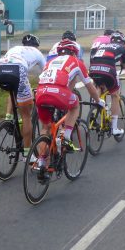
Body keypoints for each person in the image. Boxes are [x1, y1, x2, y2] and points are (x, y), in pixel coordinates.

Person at [34, 39, 104, 169]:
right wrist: (98, 101)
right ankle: (65, 137)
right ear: (74, 53)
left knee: (45, 128)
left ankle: (42, 163)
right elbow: (89, 86)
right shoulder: (76, 62)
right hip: (58, 93)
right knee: (75, 105)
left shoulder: (50, 62)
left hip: (40, 93)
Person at [0, 34, 47, 154]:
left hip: (0, 69)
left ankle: (8, 118)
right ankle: (27, 154)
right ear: (36, 46)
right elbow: (46, 72)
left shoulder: (15, 48)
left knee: (13, 88)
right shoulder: (37, 52)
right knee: (26, 115)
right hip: (18, 69)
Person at [88, 31, 125, 137]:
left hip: (93, 69)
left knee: (100, 86)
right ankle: (114, 128)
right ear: (123, 42)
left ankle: (96, 107)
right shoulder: (123, 48)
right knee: (115, 95)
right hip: (107, 70)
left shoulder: (103, 45)